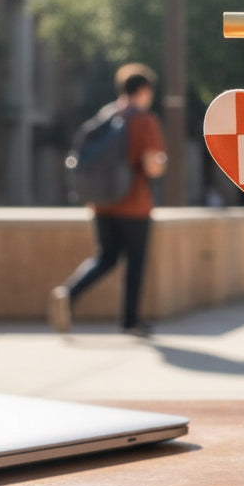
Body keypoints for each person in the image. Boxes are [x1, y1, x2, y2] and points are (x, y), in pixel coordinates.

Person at [49, 63, 167, 337]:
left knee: (105, 257)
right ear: (144, 89)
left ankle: (68, 292)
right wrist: (161, 162)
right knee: (135, 262)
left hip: (101, 202)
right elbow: (152, 166)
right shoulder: (144, 121)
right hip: (135, 204)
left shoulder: (106, 116)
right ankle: (130, 321)